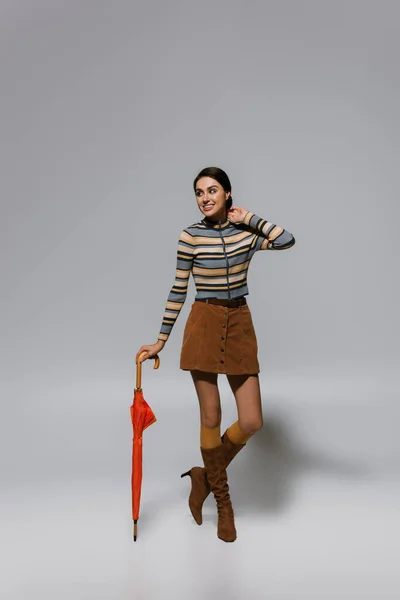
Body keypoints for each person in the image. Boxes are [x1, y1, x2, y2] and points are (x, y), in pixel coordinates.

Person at [136, 166, 295, 542]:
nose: (205, 197)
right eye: (199, 192)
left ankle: (203, 476)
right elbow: (178, 290)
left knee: (252, 420)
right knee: (211, 414)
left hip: (239, 322)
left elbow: (286, 239)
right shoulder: (189, 236)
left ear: (227, 194)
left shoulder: (245, 234)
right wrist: (160, 340)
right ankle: (223, 504)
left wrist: (250, 218)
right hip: (204, 323)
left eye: (212, 190)